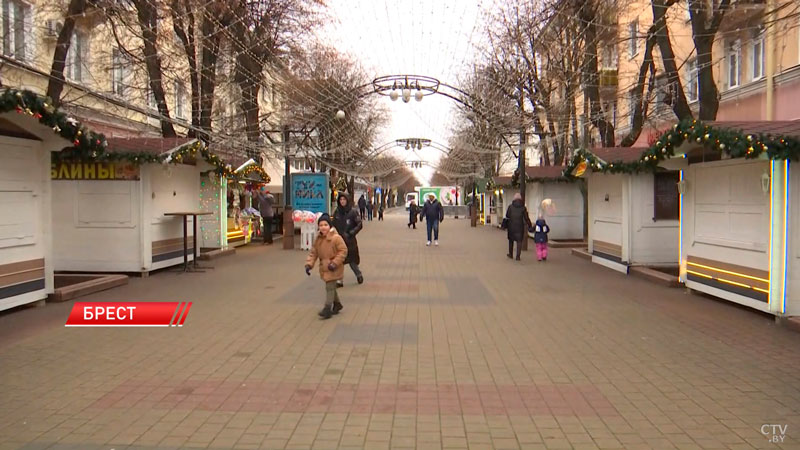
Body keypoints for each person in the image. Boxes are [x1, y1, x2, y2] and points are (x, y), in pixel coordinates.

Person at [305, 214, 347, 319]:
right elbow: (313, 252)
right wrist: (309, 264)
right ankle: (337, 304)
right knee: (331, 287)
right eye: (321, 225)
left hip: (334, 267)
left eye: (325, 224)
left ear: (330, 226)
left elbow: (343, 251)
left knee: (329, 287)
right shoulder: (318, 239)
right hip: (324, 267)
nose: (323, 227)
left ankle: (327, 308)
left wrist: (335, 263)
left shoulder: (336, 238)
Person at [332, 193, 364, 286]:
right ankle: (339, 280)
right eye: (341, 200)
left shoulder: (353, 212)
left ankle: (359, 274)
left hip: (350, 241)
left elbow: (359, 224)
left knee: (352, 261)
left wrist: (351, 233)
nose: (342, 201)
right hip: (339, 240)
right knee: (339, 261)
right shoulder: (337, 212)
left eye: (344, 200)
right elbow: (333, 223)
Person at [505, 193, 533, 261]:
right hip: (520, 226)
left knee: (511, 240)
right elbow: (526, 218)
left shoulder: (510, 207)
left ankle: (510, 254)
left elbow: (507, 215)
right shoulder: (523, 208)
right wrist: (530, 225)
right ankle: (518, 256)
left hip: (511, 226)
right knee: (519, 241)